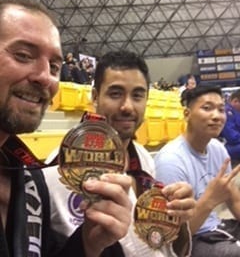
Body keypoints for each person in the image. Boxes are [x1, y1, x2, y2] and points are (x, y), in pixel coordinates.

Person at [0, 0, 132, 257]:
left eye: (55, 66)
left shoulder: (29, 180)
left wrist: (89, 244)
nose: (45, 77)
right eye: (23, 55)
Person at [44, 50, 196, 257]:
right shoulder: (55, 172)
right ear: (95, 97)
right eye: (115, 94)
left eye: (137, 95)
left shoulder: (143, 160)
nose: (127, 107)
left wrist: (178, 224)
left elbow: (157, 243)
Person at [154, 85, 240, 257]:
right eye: (207, 108)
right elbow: (172, 239)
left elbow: (233, 198)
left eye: (221, 110)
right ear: (187, 114)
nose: (216, 116)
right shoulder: (170, 161)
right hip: (191, 240)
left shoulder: (218, 149)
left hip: (215, 227)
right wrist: (210, 199)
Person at [220, 89, 240, 164]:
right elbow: (232, 137)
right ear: (235, 101)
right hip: (227, 146)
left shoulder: (236, 111)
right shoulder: (226, 113)